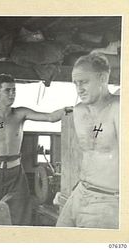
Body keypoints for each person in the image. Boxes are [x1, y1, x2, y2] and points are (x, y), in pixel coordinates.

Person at [0, 74, 72, 225]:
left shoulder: (20, 113)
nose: (12, 94)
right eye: (7, 90)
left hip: (16, 174)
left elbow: (49, 117)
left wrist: (66, 110)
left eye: (14, 90)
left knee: (20, 216)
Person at [56, 53, 119, 229]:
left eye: (83, 82)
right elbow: (89, 155)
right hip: (80, 192)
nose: (79, 89)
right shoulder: (79, 111)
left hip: (108, 200)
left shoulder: (119, 109)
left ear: (103, 78)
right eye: (75, 83)